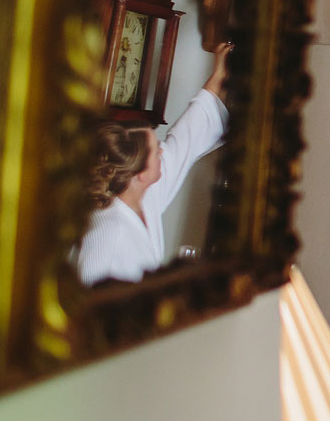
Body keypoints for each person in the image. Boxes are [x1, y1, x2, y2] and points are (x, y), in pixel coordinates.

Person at [77, 42, 232, 285]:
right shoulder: (106, 234)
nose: (163, 150)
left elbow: (185, 140)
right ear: (140, 174)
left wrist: (219, 75)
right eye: (156, 151)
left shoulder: (143, 197)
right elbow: (84, 307)